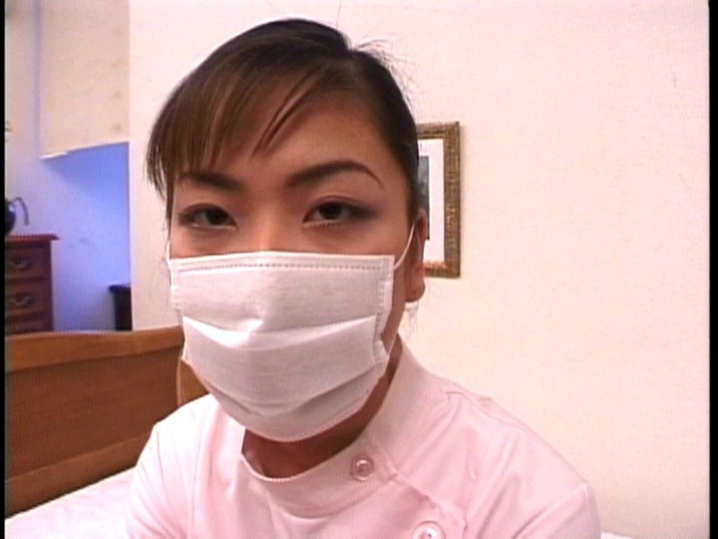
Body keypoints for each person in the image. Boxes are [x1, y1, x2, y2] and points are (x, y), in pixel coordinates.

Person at [126, 18, 600, 538]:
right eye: (211, 216)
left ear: (414, 256)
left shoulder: (527, 508)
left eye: (332, 210)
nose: (268, 275)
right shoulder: (176, 461)